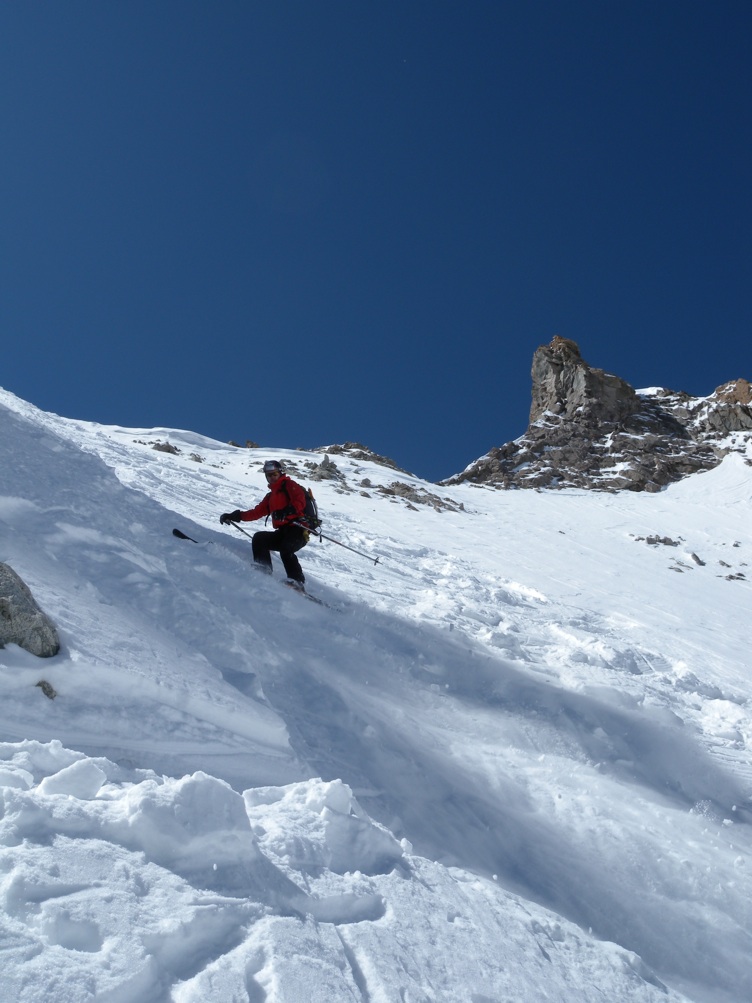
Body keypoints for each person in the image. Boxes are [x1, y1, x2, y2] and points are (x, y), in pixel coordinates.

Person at [220, 460, 309, 588]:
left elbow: (299, 502)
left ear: (280, 473)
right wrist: (235, 516)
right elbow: (256, 512)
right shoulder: (270, 497)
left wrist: (286, 511)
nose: (272, 477)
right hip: (282, 531)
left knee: (286, 549)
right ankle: (263, 569)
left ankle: (297, 582)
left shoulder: (290, 485)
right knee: (259, 538)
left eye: (274, 474)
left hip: (298, 530)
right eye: (269, 475)